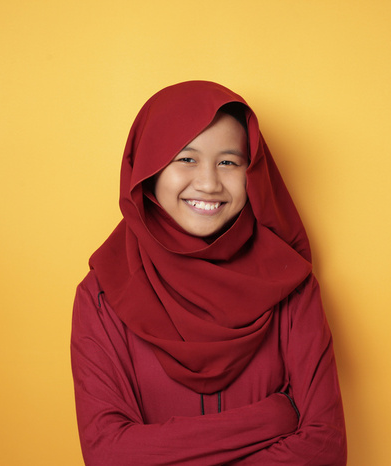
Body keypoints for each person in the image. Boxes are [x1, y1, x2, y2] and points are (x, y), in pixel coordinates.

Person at [71, 80, 347, 465]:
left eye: (229, 162)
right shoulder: (102, 294)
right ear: (148, 169)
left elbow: (324, 449)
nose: (208, 183)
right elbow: (109, 455)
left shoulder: (290, 285)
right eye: (186, 159)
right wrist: (275, 416)